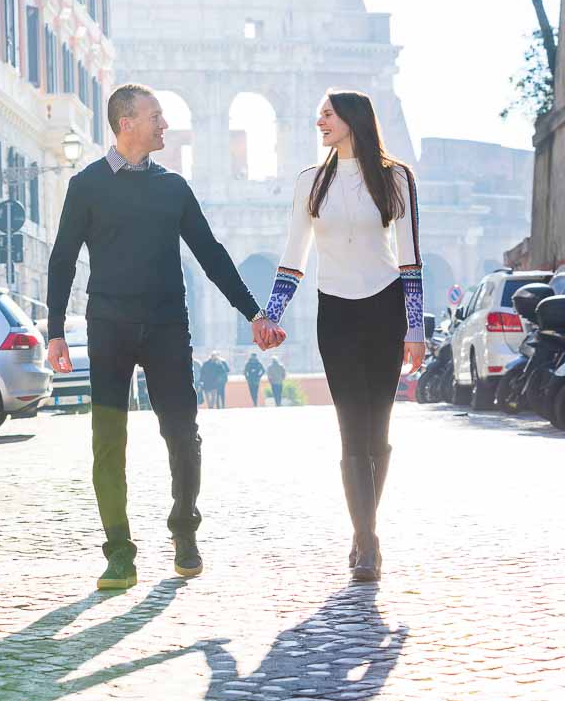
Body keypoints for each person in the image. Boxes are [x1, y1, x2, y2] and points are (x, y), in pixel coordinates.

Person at [46, 83, 279, 591]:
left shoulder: (173, 188)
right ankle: (119, 553)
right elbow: (63, 258)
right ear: (126, 123)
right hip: (107, 329)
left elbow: (212, 255)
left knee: (182, 434)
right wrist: (56, 331)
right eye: (156, 117)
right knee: (108, 442)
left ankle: (184, 531)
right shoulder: (86, 185)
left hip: (168, 327)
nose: (165, 126)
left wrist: (253, 313)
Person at [257, 88, 425, 583]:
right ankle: (368, 540)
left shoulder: (396, 178)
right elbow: (293, 256)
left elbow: (411, 258)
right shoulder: (310, 183)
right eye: (319, 115)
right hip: (335, 315)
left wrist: (414, 327)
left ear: (353, 119)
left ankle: (363, 530)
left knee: (380, 429)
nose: (320, 122)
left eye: (327, 114)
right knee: (351, 428)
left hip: (386, 308)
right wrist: (272, 314)